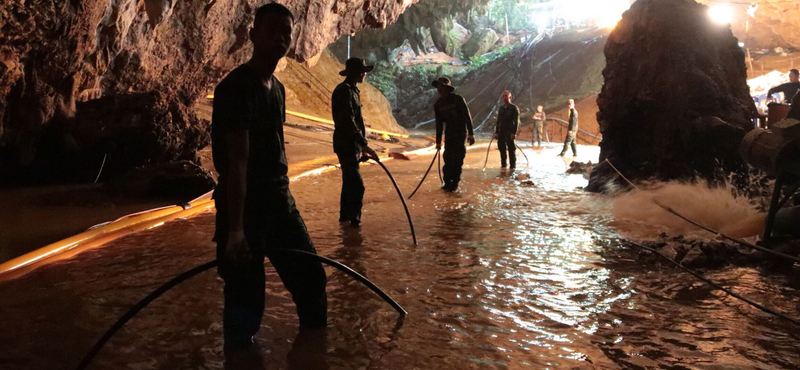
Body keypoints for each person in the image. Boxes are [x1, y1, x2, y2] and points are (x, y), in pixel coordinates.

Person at [211, 3, 327, 349]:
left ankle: (314, 355)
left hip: (279, 202)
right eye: (271, 30)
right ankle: (240, 357)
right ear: (252, 36)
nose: (279, 38)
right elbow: (237, 161)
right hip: (245, 207)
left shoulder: (277, 89)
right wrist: (234, 230)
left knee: (312, 280)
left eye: (286, 33)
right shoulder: (236, 87)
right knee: (245, 305)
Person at [331, 57, 379, 228]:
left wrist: (362, 147)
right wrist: (364, 144)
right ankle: (354, 222)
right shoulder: (344, 91)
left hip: (352, 144)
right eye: (362, 71)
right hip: (346, 144)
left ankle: (345, 219)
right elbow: (347, 121)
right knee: (357, 185)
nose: (364, 74)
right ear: (356, 73)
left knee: (349, 181)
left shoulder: (352, 90)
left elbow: (356, 121)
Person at [432, 77, 476, 191]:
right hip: (449, 134)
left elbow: (467, 116)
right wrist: (438, 142)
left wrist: (471, 133)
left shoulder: (458, 99)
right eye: (438, 87)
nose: (439, 89)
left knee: (458, 159)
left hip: (460, 133)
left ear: (447, 88)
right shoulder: (438, 104)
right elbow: (439, 124)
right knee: (447, 158)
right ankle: (447, 183)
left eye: (441, 86)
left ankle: (455, 183)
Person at [493, 91, 519, 168]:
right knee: (501, 149)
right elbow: (498, 121)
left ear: (510, 97)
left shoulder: (514, 108)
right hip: (501, 132)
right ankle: (503, 165)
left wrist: (514, 133)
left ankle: (512, 166)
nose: (504, 98)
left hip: (509, 131)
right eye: (503, 96)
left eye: (506, 96)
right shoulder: (501, 108)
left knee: (511, 150)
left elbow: (516, 121)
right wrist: (496, 132)